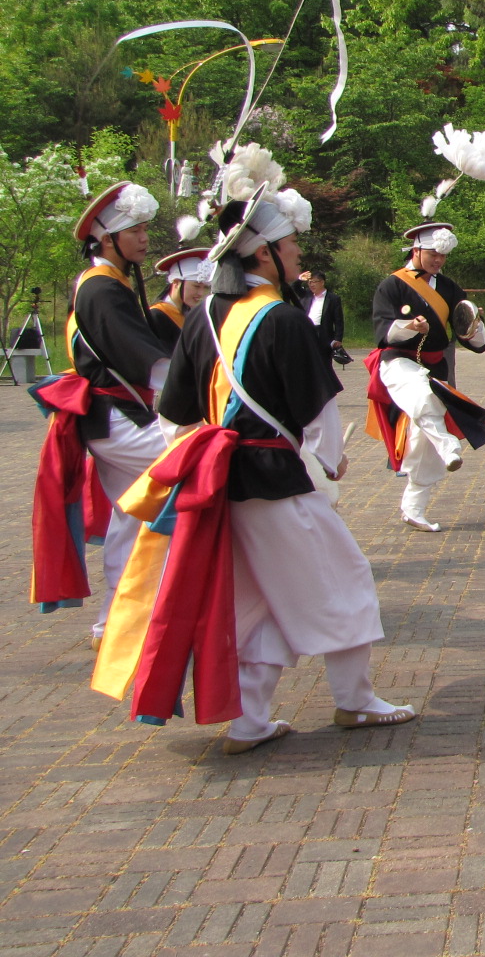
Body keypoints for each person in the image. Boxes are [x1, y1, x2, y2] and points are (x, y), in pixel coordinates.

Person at [97, 172, 416, 754]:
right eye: (291, 245)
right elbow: (317, 413)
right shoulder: (285, 320)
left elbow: (176, 412)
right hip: (274, 477)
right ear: (265, 253)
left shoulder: (205, 316)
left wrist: (206, 455)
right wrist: (328, 464)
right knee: (345, 580)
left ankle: (250, 720)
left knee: (262, 598)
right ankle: (356, 700)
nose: (298, 254)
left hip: (221, 479)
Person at [29, 181, 169, 648]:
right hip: (117, 417)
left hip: (109, 418)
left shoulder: (104, 283)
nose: (146, 238)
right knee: (194, 467)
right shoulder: (103, 289)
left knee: (130, 519)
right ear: (109, 238)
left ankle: (111, 625)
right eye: (138, 230)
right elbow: (147, 360)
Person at [367, 222, 485, 532]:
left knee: (421, 445)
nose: (438, 261)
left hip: (435, 366)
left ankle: (413, 509)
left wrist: (474, 324)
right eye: (433, 255)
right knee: (424, 397)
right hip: (397, 361)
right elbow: (383, 331)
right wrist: (408, 326)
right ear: (416, 249)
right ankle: (449, 444)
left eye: (443, 256)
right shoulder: (392, 286)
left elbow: (468, 335)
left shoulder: (449, 287)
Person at [147, 248, 212, 351]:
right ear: (176, 283)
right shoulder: (156, 316)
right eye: (196, 286)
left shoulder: (194, 315)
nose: (200, 293)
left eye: (204, 288)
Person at [299, 270, 349, 368]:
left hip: (323, 334)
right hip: (308, 331)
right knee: (308, 361)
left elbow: (338, 320)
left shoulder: (333, 298)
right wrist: (300, 279)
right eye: (310, 282)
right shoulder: (307, 295)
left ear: (322, 282)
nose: (312, 285)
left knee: (324, 363)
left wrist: (338, 338)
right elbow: (293, 288)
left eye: (314, 282)